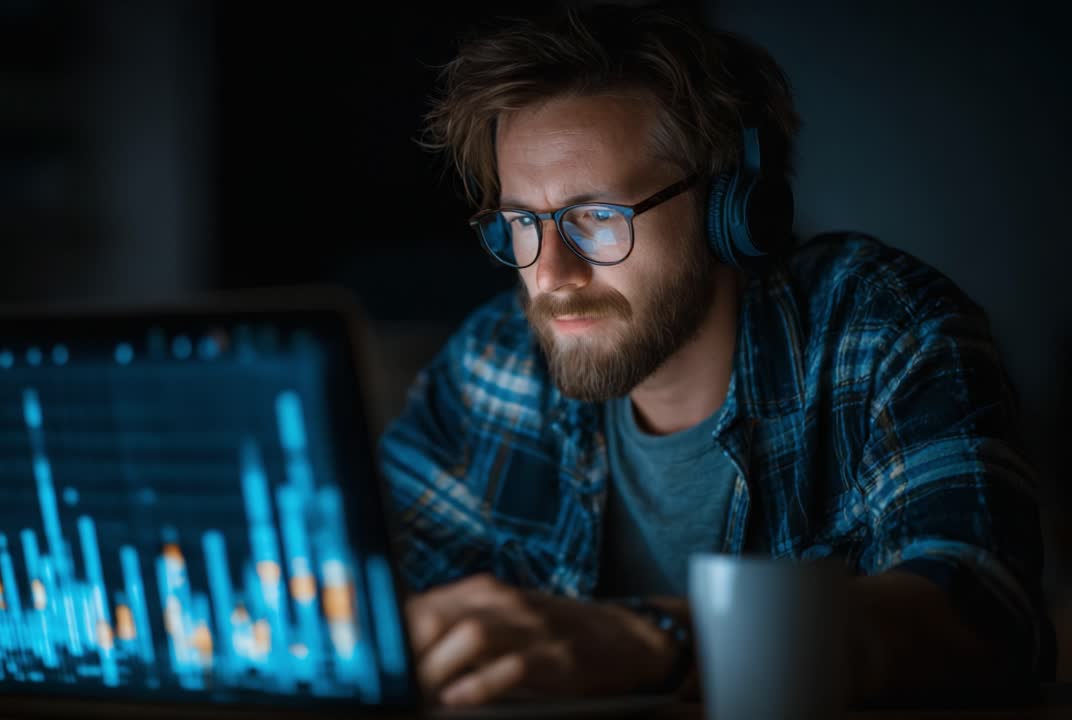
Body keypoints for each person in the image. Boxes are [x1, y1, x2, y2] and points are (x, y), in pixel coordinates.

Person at [377, 0, 1054, 708]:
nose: (551, 276)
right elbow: (367, 585)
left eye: (597, 217)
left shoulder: (885, 330)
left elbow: (984, 616)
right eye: (523, 222)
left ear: (733, 208)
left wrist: (651, 641)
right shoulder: (494, 363)